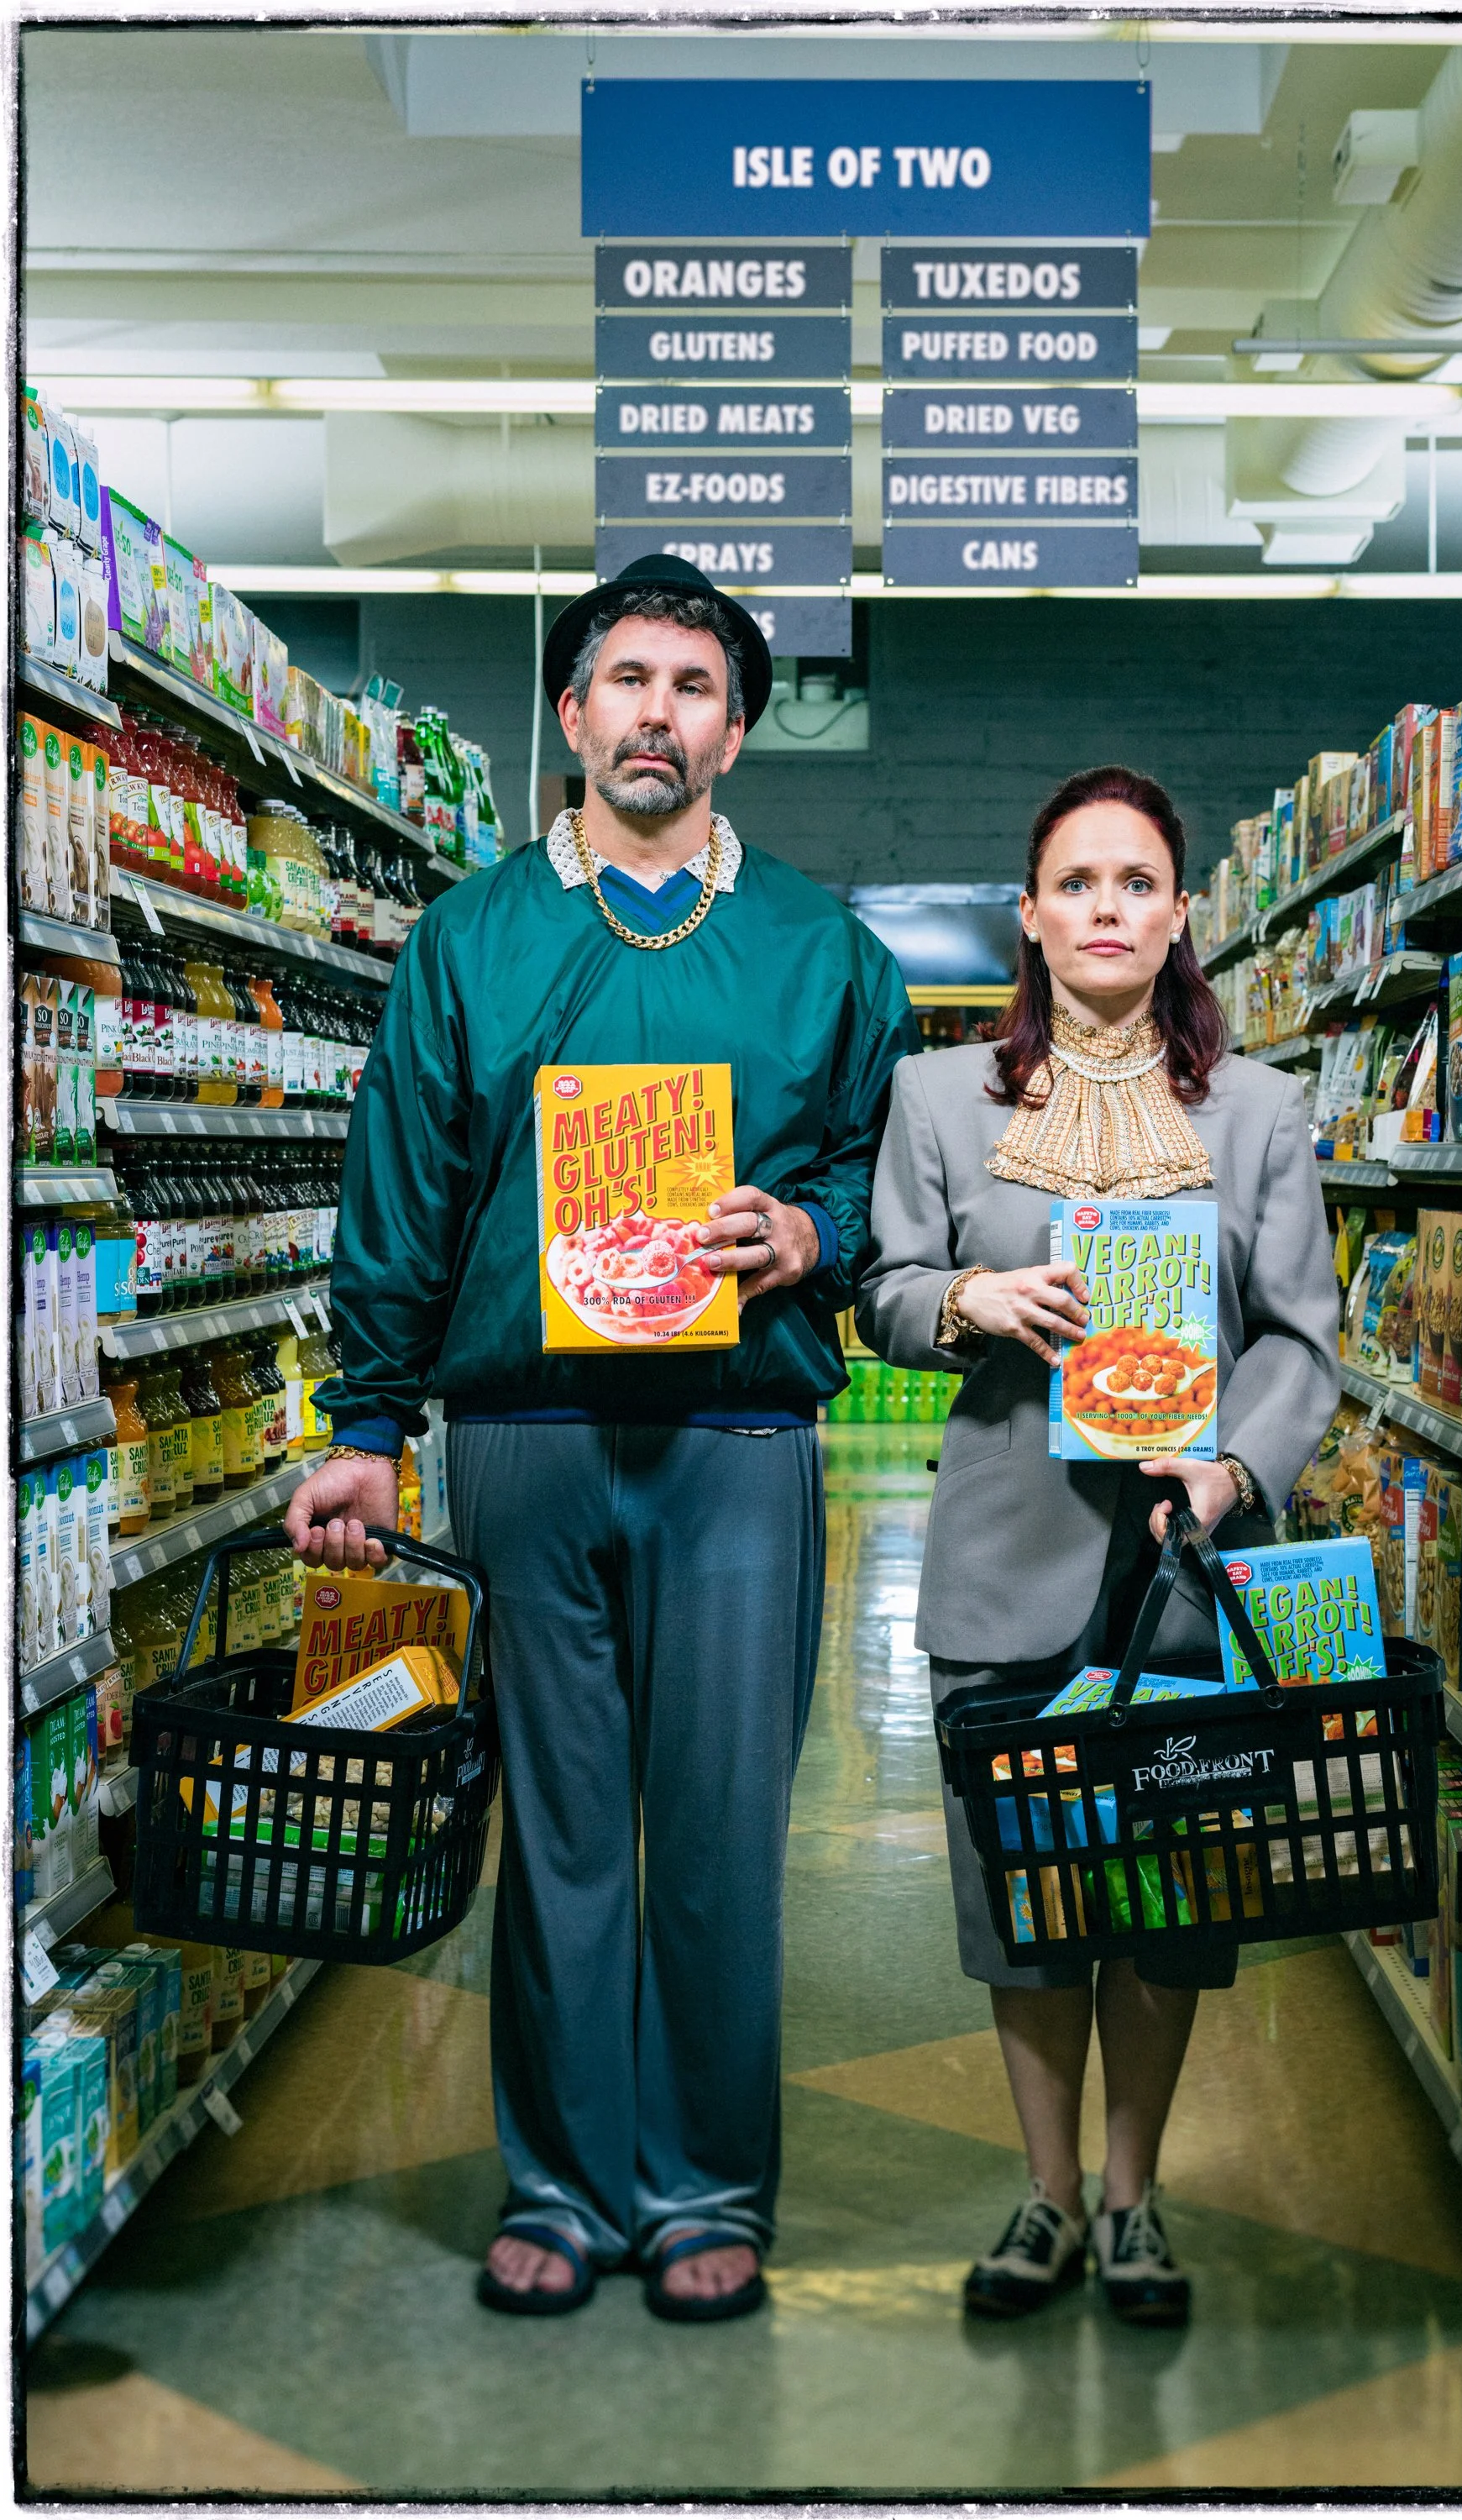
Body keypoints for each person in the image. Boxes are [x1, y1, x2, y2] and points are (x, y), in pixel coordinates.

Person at [286, 554, 920, 2326]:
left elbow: (887, 1171)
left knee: (718, 1827)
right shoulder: (473, 938)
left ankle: (705, 2181)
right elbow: (400, 1195)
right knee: (560, 1828)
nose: (657, 712)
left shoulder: (822, 949)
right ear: (569, 715)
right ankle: (562, 2180)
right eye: (625, 680)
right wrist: (363, 1425)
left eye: (695, 685)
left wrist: (815, 1233)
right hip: (526, 1437)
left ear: (736, 727)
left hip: (734, 1437)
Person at [857, 762, 1339, 2329]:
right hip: (1004, 1555)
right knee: (1025, 1908)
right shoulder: (942, 1100)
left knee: (1170, 1904)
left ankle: (1134, 2200)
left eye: (1137, 883)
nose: (1107, 908)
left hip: (1184, 1577)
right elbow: (884, 1287)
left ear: (1180, 913)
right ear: (1033, 914)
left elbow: (1300, 1341)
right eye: (1078, 883)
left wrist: (1235, 1470)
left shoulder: (1258, 1111)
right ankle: (1047, 2195)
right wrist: (964, 1305)